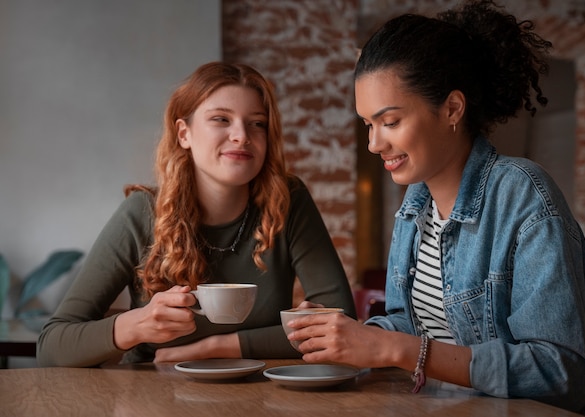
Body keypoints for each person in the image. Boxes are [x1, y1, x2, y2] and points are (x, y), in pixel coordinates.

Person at [285, 1, 585, 416]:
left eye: (389, 122)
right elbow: (409, 325)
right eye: (368, 125)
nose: (374, 144)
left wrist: (398, 349)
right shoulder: (417, 203)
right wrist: (349, 337)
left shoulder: (523, 194)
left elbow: (561, 374)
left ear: (451, 109)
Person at [37, 62, 356, 367]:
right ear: (183, 134)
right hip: (154, 397)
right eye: (221, 119)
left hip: (260, 396)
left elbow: (342, 327)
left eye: (257, 123)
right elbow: (52, 347)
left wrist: (215, 348)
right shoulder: (142, 213)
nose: (242, 135)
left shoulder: (288, 200)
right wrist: (136, 325)